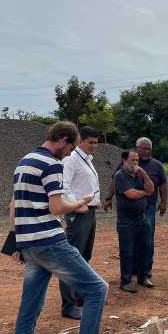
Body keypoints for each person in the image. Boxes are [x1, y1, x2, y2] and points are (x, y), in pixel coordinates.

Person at [10, 121, 117, 334]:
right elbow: (56, 206)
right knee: (97, 289)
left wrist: (16, 241)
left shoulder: (24, 161)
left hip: (29, 245)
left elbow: (13, 205)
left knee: (29, 309)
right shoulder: (51, 164)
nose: (68, 154)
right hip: (50, 241)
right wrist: (80, 203)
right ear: (63, 140)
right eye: (69, 147)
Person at [58, 126, 101, 319]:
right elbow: (64, 185)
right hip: (79, 213)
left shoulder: (87, 160)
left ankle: (81, 296)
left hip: (89, 212)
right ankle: (69, 304)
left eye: (96, 143)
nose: (94, 146)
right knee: (71, 259)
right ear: (80, 141)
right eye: (90, 142)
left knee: (84, 256)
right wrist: (75, 205)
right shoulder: (71, 160)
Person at [110, 149, 155, 293]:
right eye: (132, 160)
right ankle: (126, 280)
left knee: (145, 247)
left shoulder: (139, 175)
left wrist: (144, 174)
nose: (135, 163)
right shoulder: (120, 176)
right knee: (127, 250)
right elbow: (131, 194)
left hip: (142, 217)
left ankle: (144, 276)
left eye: (137, 161)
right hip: (126, 220)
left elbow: (151, 189)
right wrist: (145, 193)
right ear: (124, 161)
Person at [135, 137, 167, 288]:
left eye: (148, 148)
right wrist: (108, 198)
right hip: (130, 208)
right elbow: (116, 180)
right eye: (143, 148)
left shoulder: (157, 165)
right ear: (137, 148)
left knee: (147, 241)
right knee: (131, 240)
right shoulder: (129, 163)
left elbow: (163, 185)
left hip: (148, 208)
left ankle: (146, 273)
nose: (146, 151)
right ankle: (131, 271)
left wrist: (164, 202)